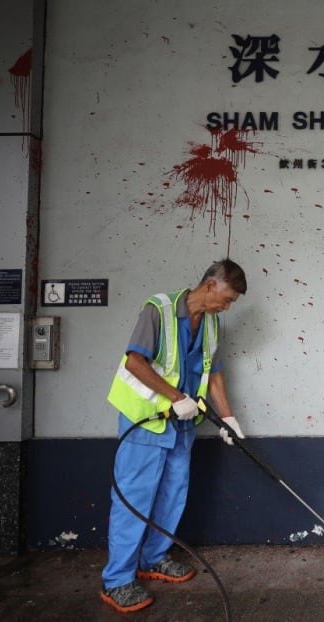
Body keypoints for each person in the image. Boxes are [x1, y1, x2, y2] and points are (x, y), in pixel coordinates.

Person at [100, 258, 248, 613]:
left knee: (171, 496)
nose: (227, 307)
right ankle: (117, 581)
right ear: (211, 285)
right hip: (146, 423)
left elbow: (214, 374)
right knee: (134, 501)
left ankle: (153, 559)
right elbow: (135, 361)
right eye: (227, 299)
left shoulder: (211, 324)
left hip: (181, 427)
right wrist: (177, 397)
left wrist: (227, 416)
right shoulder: (159, 310)